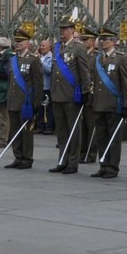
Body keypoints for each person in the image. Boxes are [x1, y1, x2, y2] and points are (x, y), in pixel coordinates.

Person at [82, 27, 127, 179]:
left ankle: (113, 167)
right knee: (101, 137)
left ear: (114, 42)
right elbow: (92, 79)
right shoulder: (97, 59)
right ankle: (103, 165)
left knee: (114, 138)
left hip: (113, 104)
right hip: (98, 104)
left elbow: (125, 83)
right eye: (101, 39)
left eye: (106, 39)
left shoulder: (120, 58)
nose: (102, 42)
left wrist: (126, 104)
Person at [48, 17, 91, 174]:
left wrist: (85, 92)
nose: (62, 32)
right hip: (58, 94)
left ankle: (73, 162)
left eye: (65, 29)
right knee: (61, 131)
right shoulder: (57, 47)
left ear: (72, 30)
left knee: (74, 131)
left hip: (72, 95)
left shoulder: (78, 48)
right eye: (60, 29)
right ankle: (62, 160)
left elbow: (85, 72)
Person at [3, 26, 43, 169]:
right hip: (13, 101)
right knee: (15, 130)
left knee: (26, 131)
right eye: (17, 40)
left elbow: (38, 84)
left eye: (21, 41)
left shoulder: (33, 60)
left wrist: (36, 103)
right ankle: (18, 157)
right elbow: (10, 82)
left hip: (26, 102)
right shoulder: (13, 59)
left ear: (28, 43)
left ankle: (27, 158)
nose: (18, 43)